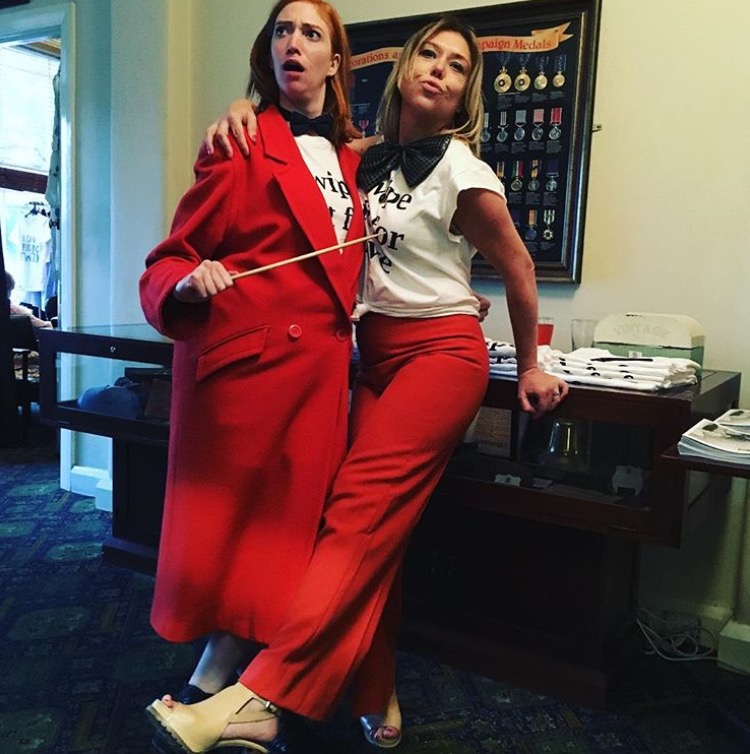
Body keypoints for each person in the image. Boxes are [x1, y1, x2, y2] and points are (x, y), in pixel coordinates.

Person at [146, 14, 568, 754]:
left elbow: (518, 266)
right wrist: (247, 105)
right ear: (403, 66)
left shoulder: (462, 168)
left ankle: (257, 696)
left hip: (440, 357)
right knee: (374, 530)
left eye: (458, 66)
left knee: (356, 518)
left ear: (467, 92)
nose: (439, 70)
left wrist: (531, 363)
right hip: (369, 359)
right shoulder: (357, 157)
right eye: (429, 54)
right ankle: (374, 686)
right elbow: (317, 194)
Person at [139, 0, 369, 737]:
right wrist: (186, 280)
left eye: (311, 34)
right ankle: (221, 671)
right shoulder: (238, 143)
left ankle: (243, 679)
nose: (293, 43)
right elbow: (168, 258)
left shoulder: (356, 160)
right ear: (268, 52)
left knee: (284, 536)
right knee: (234, 533)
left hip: (321, 376)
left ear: (335, 62)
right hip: (250, 371)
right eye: (282, 31)